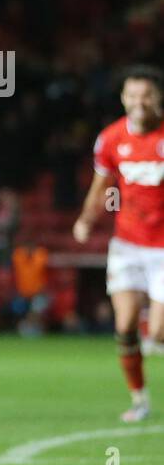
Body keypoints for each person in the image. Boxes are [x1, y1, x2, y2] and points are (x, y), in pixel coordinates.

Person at [73, 63, 164, 422]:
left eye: (147, 95)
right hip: (126, 244)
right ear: (124, 98)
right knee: (125, 326)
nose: (140, 102)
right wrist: (85, 219)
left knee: (157, 332)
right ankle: (139, 399)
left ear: (158, 98)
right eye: (133, 95)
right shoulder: (111, 138)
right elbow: (101, 186)